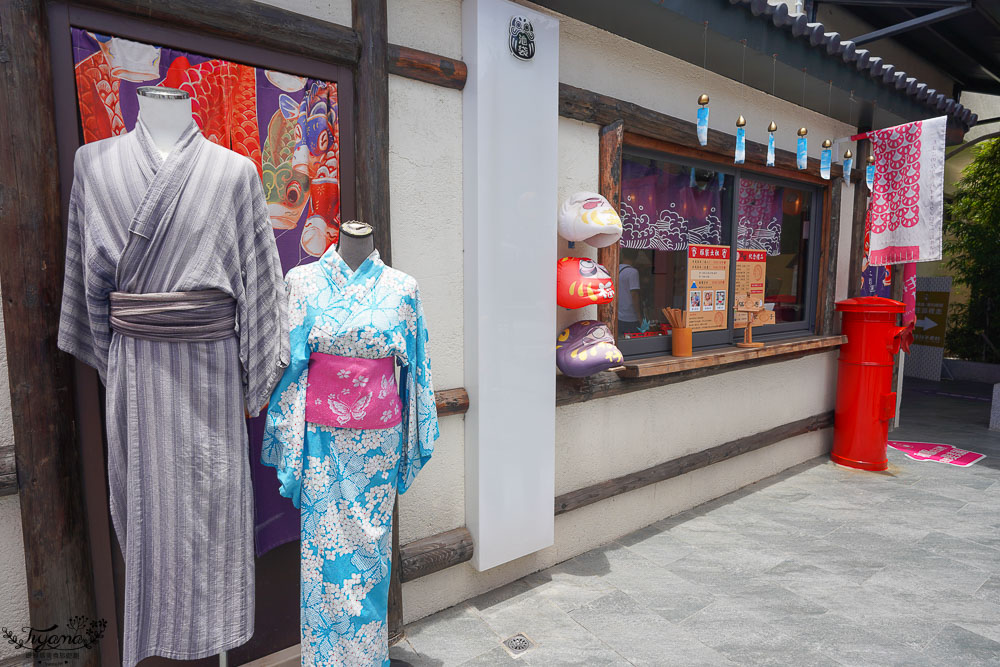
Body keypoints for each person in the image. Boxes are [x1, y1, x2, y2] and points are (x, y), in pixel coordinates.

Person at [618, 262, 642, 334]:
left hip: (618, 314)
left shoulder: (616, 269)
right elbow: (634, 294)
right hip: (630, 316)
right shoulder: (632, 272)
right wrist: (639, 317)